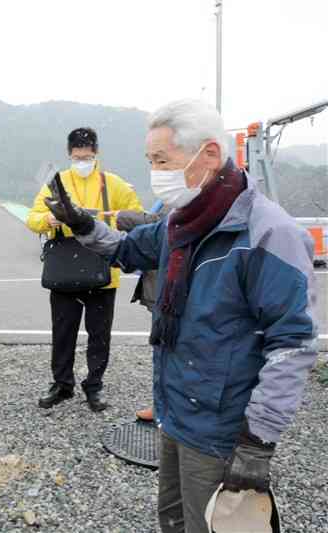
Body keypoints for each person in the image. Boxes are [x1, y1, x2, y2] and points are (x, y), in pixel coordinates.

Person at [44, 99, 318, 533]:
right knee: (172, 519)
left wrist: (257, 441)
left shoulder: (269, 234)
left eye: (162, 160)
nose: (156, 173)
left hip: (220, 430)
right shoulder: (182, 221)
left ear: (208, 154)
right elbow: (128, 250)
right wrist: (82, 224)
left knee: (209, 524)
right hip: (174, 412)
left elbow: (293, 345)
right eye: (150, 161)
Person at [26, 127, 143, 412]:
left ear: (96, 154)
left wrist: (111, 222)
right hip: (64, 268)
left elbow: (137, 216)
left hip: (103, 272)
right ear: (69, 155)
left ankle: (94, 385)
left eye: (87, 157)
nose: (82, 162)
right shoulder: (56, 183)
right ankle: (62, 384)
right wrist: (50, 220)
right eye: (77, 157)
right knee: (62, 332)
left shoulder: (114, 184)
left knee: (99, 334)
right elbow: (33, 218)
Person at [115, 204, 166, 422]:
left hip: (172, 294)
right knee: (162, 352)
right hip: (160, 288)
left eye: (162, 165)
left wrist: (121, 216)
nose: (157, 169)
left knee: (171, 352)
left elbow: (160, 223)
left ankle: (169, 410)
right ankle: (162, 406)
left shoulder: (196, 190)